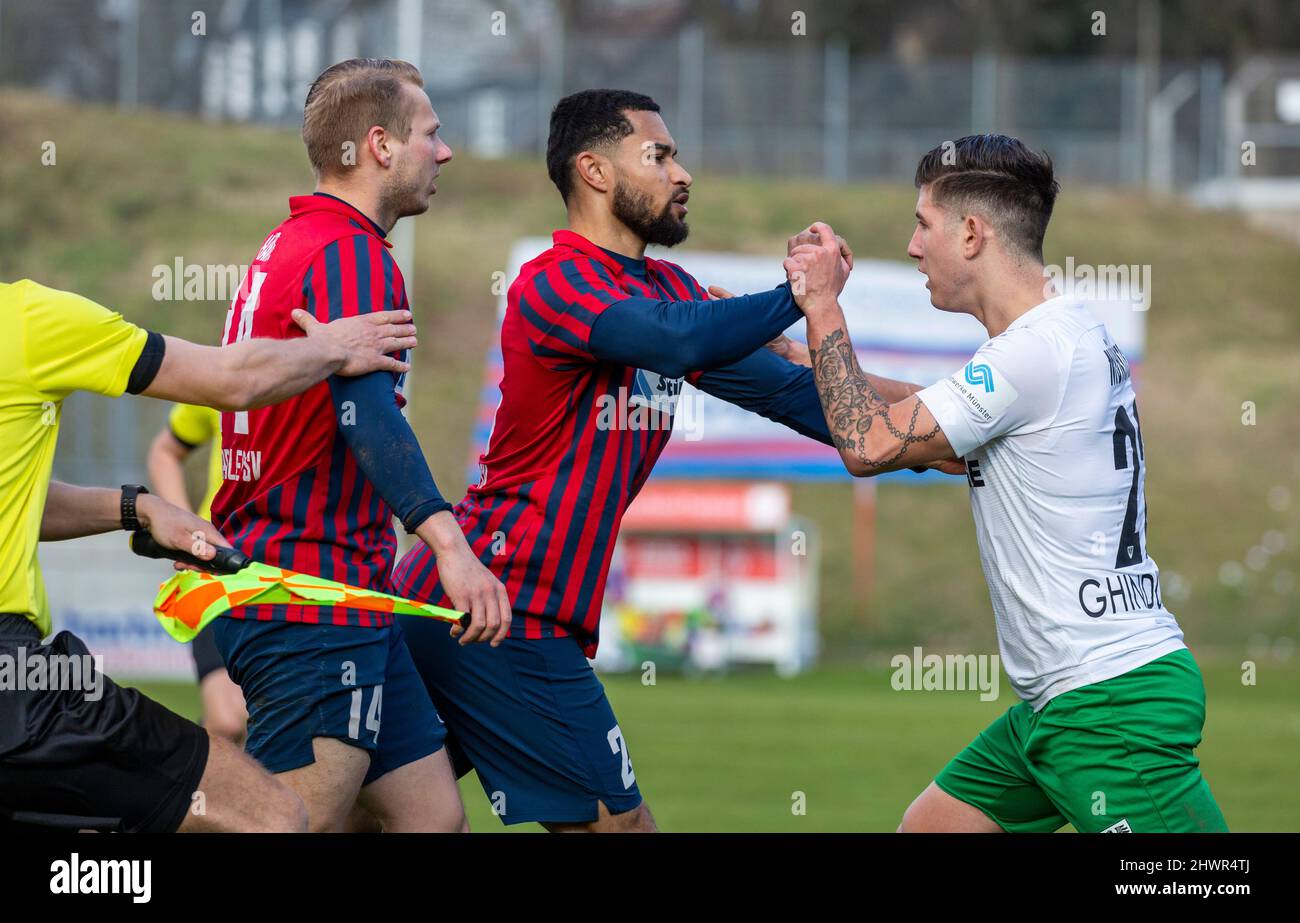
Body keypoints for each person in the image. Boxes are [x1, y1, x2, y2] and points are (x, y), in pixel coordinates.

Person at [392, 89, 938, 831]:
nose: (682, 173)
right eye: (659, 155)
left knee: (387, 818)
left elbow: (807, 400)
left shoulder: (667, 291)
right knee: (620, 826)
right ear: (593, 170)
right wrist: (797, 295)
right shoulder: (555, 282)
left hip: (481, 604)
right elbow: (676, 338)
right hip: (504, 603)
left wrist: (970, 433)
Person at [785, 133, 1227, 833]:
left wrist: (823, 308)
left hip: (1107, 705)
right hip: (1063, 701)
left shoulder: (1030, 354)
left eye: (922, 223)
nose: (911, 245)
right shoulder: (1063, 334)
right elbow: (922, 425)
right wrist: (794, 351)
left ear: (970, 233)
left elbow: (869, 443)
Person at [208, 57, 509, 833]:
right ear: (379, 145)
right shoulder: (349, 252)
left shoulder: (294, 240)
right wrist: (450, 543)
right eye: (431, 134)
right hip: (308, 593)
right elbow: (366, 413)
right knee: (285, 824)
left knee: (431, 817)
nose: (444, 152)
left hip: (344, 591)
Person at [0, 275, 415, 832]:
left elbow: (20, 499)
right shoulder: (26, 319)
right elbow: (229, 378)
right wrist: (333, 345)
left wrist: (139, 508)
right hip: (16, 688)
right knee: (271, 817)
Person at [147, 403, 248, 744]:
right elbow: (164, 451)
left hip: (289, 573)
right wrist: (187, 530)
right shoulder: (222, 375)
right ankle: (186, 793)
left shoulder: (321, 373)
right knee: (228, 720)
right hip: (215, 570)